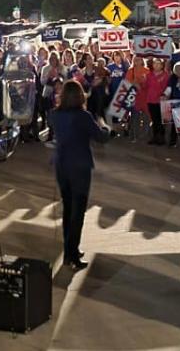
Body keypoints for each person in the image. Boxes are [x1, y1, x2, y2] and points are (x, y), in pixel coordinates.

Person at [49, 80, 108, 270]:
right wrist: (105, 126)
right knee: (78, 211)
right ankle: (72, 254)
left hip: (61, 165)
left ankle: (69, 251)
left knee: (67, 207)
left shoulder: (55, 115)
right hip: (79, 167)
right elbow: (100, 137)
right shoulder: (83, 116)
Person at [142, 58, 169, 145]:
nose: (156, 65)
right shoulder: (149, 75)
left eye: (158, 64)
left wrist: (164, 95)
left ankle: (161, 138)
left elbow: (167, 87)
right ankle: (155, 137)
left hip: (161, 100)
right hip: (150, 100)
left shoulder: (165, 75)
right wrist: (144, 81)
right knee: (154, 119)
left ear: (162, 65)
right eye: (155, 63)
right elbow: (145, 87)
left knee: (160, 120)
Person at [163, 61, 180, 147]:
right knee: (174, 123)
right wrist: (165, 95)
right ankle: (173, 141)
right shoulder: (172, 78)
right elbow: (169, 88)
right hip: (174, 102)